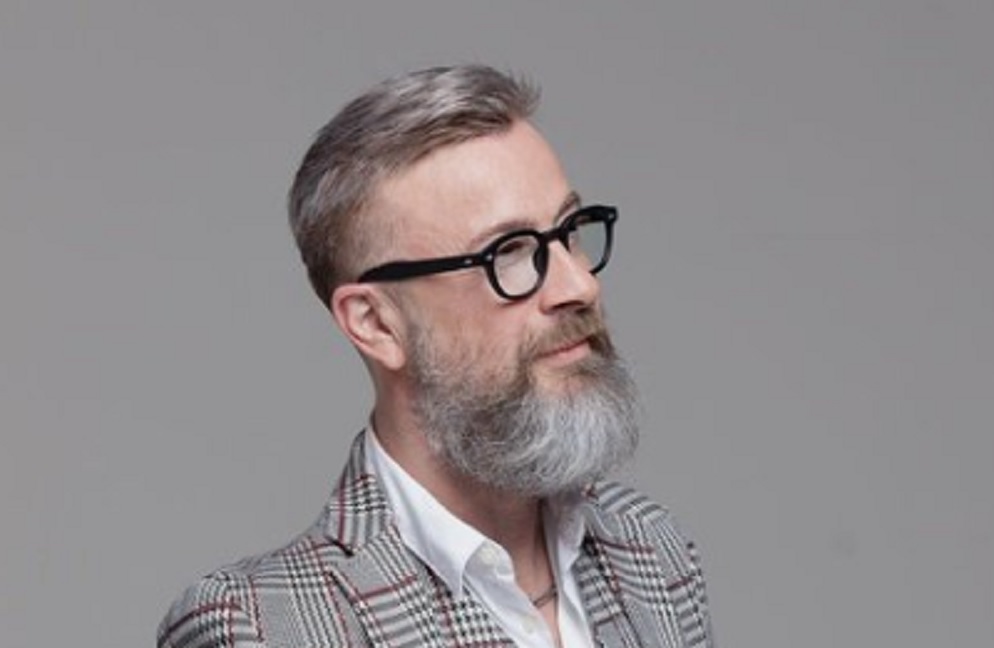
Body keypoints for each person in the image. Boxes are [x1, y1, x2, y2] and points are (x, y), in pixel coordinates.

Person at [158, 64, 714, 648]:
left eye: (569, 230)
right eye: (509, 253)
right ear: (376, 323)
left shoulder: (651, 551)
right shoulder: (260, 629)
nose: (579, 284)